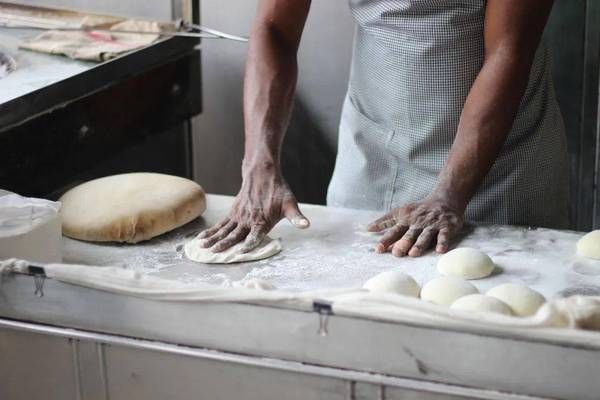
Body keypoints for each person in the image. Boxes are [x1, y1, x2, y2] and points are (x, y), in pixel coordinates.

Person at [198, 0, 568, 258]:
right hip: (373, 153)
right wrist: (259, 164)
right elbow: (274, 28)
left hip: (498, 168)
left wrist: (449, 194)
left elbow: (509, 51)